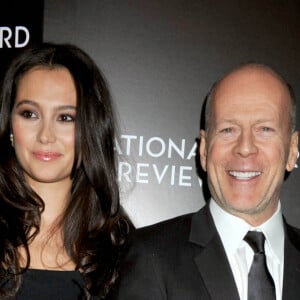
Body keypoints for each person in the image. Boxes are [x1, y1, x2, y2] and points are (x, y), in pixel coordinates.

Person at [112, 63, 300, 300]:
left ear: (292, 150)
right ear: (203, 149)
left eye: (264, 129)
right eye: (228, 130)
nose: (244, 148)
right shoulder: (152, 256)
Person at [0, 42, 131, 299]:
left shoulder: (125, 253)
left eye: (65, 118)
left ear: (91, 128)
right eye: (29, 114)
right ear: (10, 125)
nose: (45, 135)